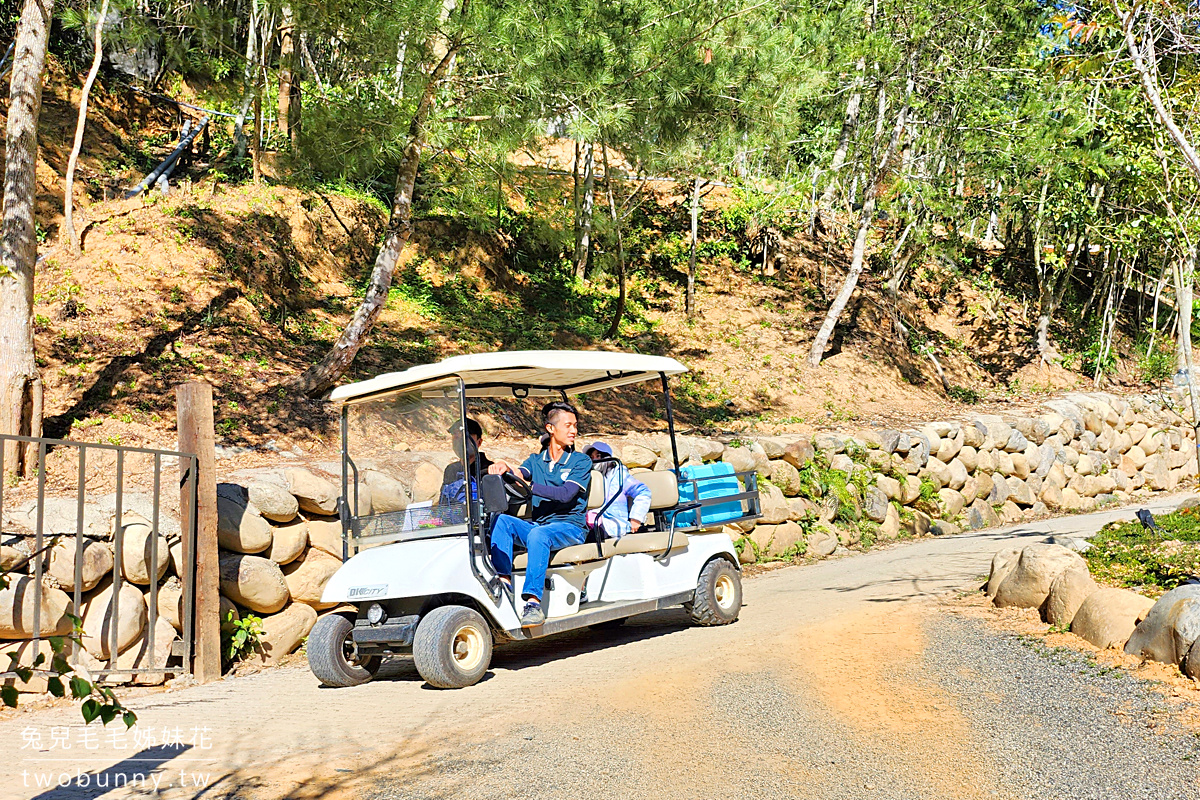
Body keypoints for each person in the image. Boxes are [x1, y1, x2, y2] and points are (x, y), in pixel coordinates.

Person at [487, 401, 591, 627]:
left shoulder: (581, 461)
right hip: (540, 526)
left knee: (539, 535)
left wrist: (530, 486)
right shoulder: (536, 460)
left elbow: (565, 494)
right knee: (502, 521)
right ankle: (503, 584)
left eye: (575, 425)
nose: (574, 430)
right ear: (551, 428)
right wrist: (504, 465)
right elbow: (519, 473)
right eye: (568, 425)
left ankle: (533, 603)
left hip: (570, 527)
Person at [584, 442, 651, 540]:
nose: (594, 460)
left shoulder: (619, 476)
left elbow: (643, 492)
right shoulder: (588, 477)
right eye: (591, 457)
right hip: (590, 522)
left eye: (598, 456)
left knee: (590, 536)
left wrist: (636, 517)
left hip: (613, 524)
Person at [439, 418, 492, 510]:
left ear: (479, 442)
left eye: (466, 436)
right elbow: (443, 507)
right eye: (455, 436)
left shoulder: (489, 470)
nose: (460, 441)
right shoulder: (451, 470)